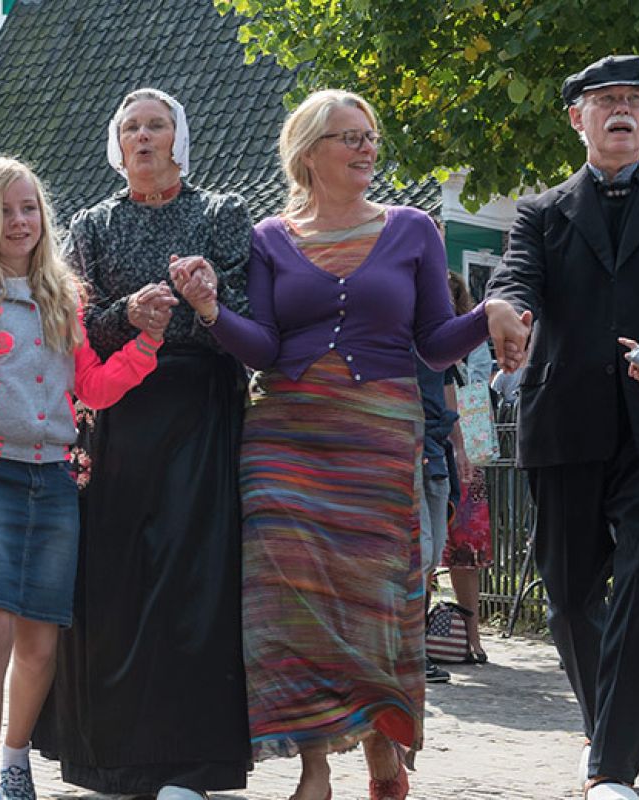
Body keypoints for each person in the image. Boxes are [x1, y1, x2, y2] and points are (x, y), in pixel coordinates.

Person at [178, 89, 501, 800]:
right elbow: (263, 346)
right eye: (348, 137)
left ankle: (383, 756)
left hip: (376, 438)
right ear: (308, 152)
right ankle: (313, 771)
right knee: (289, 604)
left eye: (369, 136)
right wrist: (210, 311)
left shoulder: (412, 230)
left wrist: (488, 312)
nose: (366, 148)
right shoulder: (269, 237)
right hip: (283, 439)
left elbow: (434, 344)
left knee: (373, 601)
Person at [0, 157, 170, 800]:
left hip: (51, 477)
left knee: (41, 643)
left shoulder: (64, 294)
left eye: (29, 208)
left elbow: (93, 390)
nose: (19, 221)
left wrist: (145, 347)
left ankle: (15, 754)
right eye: (5, 210)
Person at [34, 87, 254, 800]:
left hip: (200, 415)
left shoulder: (220, 213)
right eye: (130, 126)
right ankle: (113, 759)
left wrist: (203, 301)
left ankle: (192, 764)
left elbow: (247, 320)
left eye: (156, 125)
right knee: (117, 581)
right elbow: (69, 323)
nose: (143, 136)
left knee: (194, 581)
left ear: (178, 138)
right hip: (120, 415)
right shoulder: (93, 224)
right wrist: (125, 313)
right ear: (115, 142)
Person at [485, 55, 639, 800]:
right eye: (605, 101)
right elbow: (514, 275)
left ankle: (611, 770)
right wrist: (505, 311)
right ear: (577, 118)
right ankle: (607, 732)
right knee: (565, 596)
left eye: (634, 100)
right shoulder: (540, 211)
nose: (620, 110)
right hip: (562, 420)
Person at [443, 272, 494, 664]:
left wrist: (471, 454)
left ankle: (470, 638)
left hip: (464, 454)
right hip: (430, 447)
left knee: (466, 553)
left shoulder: (472, 346)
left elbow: (476, 397)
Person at [415, 352, 456, 685]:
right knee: (420, 553)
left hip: (437, 453)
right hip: (406, 449)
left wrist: (463, 450)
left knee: (434, 552)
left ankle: (418, 647)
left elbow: (449, 391)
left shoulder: (441, 346)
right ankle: (410, 649)